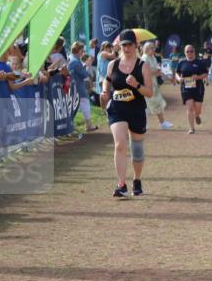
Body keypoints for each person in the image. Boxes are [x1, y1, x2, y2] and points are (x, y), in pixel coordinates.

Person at [101, 29, 154, 197]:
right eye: (124, 45)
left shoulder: (142, 66)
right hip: (117, 109)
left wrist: (137, 85)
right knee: (120, 144)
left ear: (136, 45)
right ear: (120, 46)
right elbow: (107, 80)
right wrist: (104, 91)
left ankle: (137, 179)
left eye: (130, 44)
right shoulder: (113, 64)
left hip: (136, 110)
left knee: (137, 149)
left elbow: (150, 92)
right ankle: (121, 185)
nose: (127, 48)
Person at [175, 44, 208, 133]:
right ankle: (191, 128)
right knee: (190, 107)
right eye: (187, 51)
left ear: (194, 52)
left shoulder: (200, 62)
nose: (189, 53)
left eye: (191, 51)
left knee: (198, 109)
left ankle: (197, 115)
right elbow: (177, 73)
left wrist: (197, 77)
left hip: (198, 88)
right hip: (186, 88)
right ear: (185, 53)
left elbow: (205, 74)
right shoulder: (182, 63)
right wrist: (179, 79)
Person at [142, 41, 173, 130]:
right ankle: (145, 124)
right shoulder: (144, 58)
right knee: (146, 105)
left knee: (157, 103)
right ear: (147, 49)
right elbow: (144, 72)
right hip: (147, 85)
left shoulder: (153, 57)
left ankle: (162, 123)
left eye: (154, 48)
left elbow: (158, 71)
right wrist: (155, 72)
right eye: (152, 48)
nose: (154, 49)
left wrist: (168, 78)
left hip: (154, 85)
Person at [68, 41, 97, 133]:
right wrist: (88, 67)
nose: (83, 52)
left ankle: (72, 125)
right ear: (78, 50)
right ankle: (88, 125)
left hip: (72, 86)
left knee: (74, 106)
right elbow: (84, 74)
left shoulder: (70, 58)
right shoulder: (76, 61)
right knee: (85, 105)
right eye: (82, 50)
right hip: (77, 87)